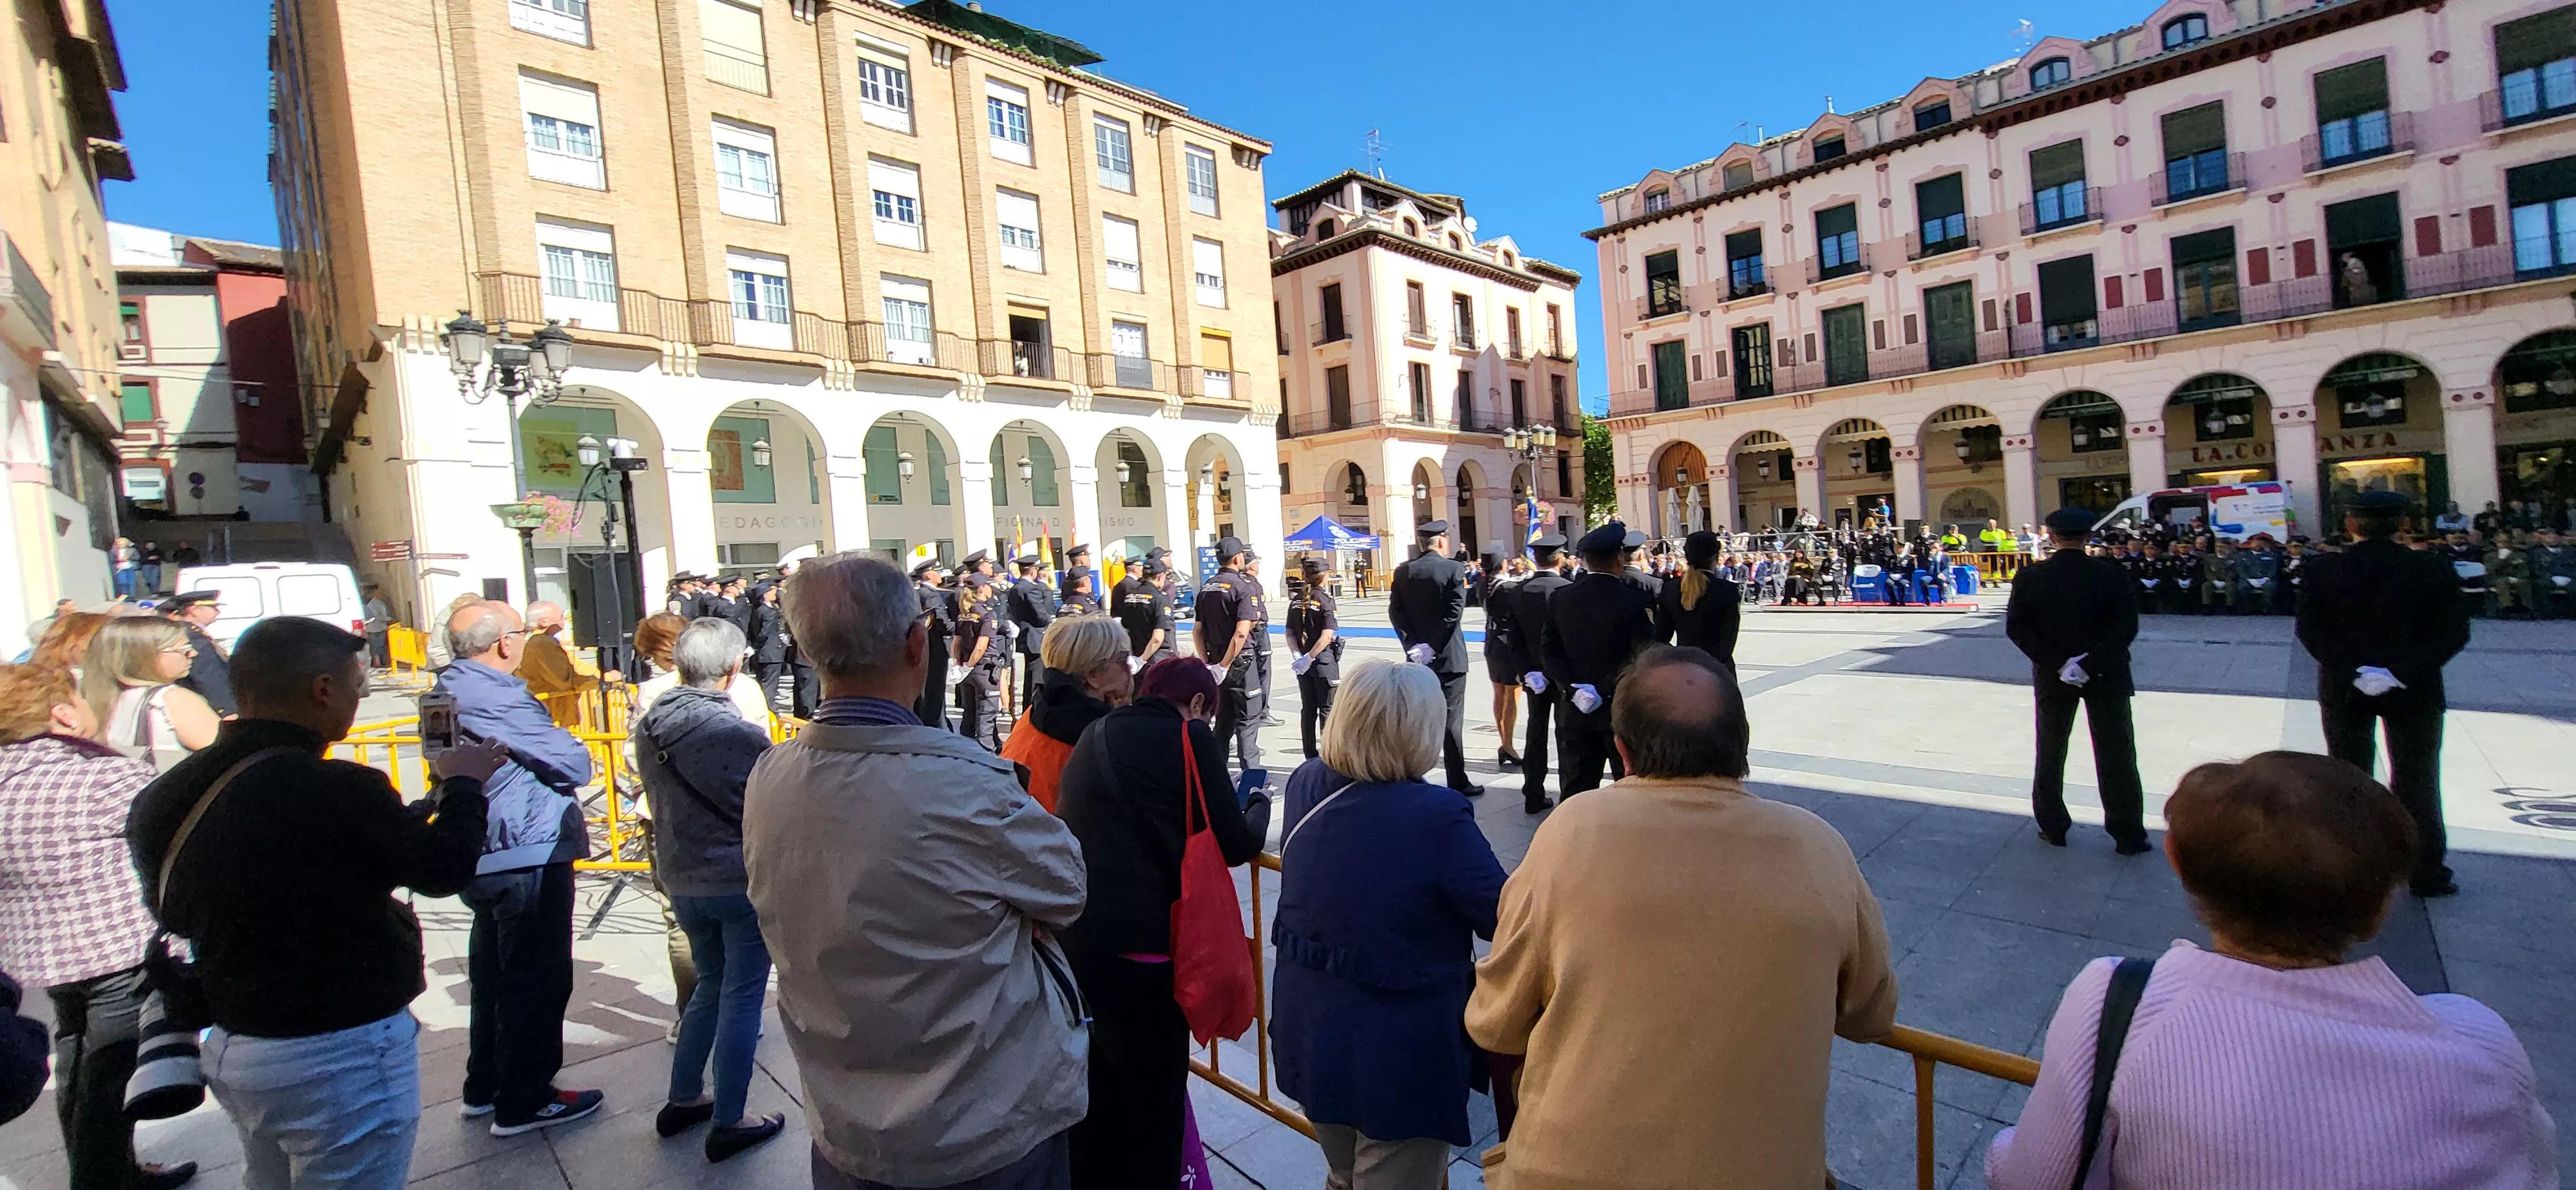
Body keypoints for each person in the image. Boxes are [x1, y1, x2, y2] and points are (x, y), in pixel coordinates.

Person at [1985, 752, 2557, 1189]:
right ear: (2383, 902)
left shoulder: (2121, 1004)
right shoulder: (2481, 1046)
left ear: (2178, 864)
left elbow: (2031, 1178)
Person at [1467, 646, 1897, 1189]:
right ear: (1741, 744)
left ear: (1621, 751)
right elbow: (1871, 1014)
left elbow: (1496, 1020)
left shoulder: (1572, 832)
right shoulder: (1820, 848)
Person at [743, 552, 1086, 1189]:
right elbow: (1066, 890)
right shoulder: (961, 784)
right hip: (980, 1127)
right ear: (913, 644)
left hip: (845, 1126)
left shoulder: (769, 776)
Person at [127, 618, 507, 1190]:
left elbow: (183, 907)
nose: (360, 700)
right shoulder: (338, 788)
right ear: (322, 689)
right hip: (338, 1050)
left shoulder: (168, 792)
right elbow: (443, 870)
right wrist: (464, 786)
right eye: (359, 687)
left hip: (236, 1041)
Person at [1270, 661, 1507, 1190]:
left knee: (1342, 1172)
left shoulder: (1309, 781)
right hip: (1397, 1049)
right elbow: (1500, 913)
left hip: (1310, 1026)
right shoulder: (1435, 814)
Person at [1053, 656, 1270, 1190]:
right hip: (1146, 954)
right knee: (1155, 1112)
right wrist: (1259, 803)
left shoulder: (1096, 732)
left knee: (1098, 1098)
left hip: (1079, 943)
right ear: (1197, 705)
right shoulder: (1191, 738)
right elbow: (1239, 843)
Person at [0, 662, 197, 1190]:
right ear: (63, 714)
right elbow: (171, 845)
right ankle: (102, 1179)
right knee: (109, 1072)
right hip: (116, 951)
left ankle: (109, 1169)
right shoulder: (102, 776)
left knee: (74, 1059)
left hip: (36, 955)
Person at [433, 601, 604, 1135]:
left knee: (493, 975)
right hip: (524, 846)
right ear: (505, 644)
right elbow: (575, 762)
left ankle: (485, 1085)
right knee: (534, 977)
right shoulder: (497, 695)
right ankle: (525, 1097)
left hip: (480, 843)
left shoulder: (444, 689)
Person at [632, 619, 784, 1162]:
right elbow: (767, 804)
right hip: (733, 880)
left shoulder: (651, 725)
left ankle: (683, 1096)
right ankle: (730, 1117)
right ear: (734, 668)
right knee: (742, 995)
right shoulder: (734, 733)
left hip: (682, 872)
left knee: (710, 987)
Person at [2297, 488, 2474, 897]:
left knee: (2348, 780)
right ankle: (2426, 871)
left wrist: (2354, 672)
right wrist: (2398, 673)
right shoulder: (2431, 568)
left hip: (2346, 690)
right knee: (2418, 781)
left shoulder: (2323, 570)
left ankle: (2353, 871)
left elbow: (2311, 631)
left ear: (2350, 525)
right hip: (2415, 690)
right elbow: (2454, 631)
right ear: (2402, 525)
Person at [2007, 507, 2150, 854]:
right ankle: (2127, 833)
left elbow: (2017, 628)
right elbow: (2126, 627)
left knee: (2051, 750)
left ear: (2051, 537)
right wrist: (2091, 663)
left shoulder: (2030, 577)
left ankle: (2053, 826)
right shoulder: (2112, 576)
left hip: (2054, 677)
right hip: (2107, 673)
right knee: (2116, 751)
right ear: (2089, 537)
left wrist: (2060, 664)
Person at [1535, 524, 1658, 798]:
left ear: (1586, 561)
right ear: (1619, 560)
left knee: (1576, 790)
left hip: (1575, 709)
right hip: (1620, 709)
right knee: (1629, 788)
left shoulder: (1561, 597)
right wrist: (1604, 689)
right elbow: (1642, 654)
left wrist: (1574, 687)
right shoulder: (1635, 601)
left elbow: (1549, 652)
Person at [1000, 616, 1133, 813]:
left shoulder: (1040, 709)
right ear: (1093, 674)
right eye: (1123, 660)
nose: (1130, 668)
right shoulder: (1095, 736)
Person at [1388, 520, 1482, 797]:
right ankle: (1457, 781)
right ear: (1441, 542)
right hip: (1449, 658)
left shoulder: (1404, 571)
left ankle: (1412, 776)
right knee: (1452, 721)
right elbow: (1454, 612)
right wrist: (1434, 645)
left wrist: (1414, 645)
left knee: (1417, 718)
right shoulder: (1454, 569)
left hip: (1417, 660)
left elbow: (1396, 612)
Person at [80, 616, 223, 775]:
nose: (194, 654)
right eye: (185, 650)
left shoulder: (92, 701)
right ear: (147, 657)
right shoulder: (172, 699)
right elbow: (224, 755)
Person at [1502, 536, 1571, 813]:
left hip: (1534, 676)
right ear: (1559, 559)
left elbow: (1513, 637)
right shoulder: (1568, 590)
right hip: (1564, 674)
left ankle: (1533, 791)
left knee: (1536, 732)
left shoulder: (1519, 591)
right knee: (1567, 734)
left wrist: (1526, 671)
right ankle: (1568, 792)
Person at [1195, 536, 1265, 773]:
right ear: (1237, 558)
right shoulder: (1242, 586)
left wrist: (1209, 665)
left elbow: (1197, 631)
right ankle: (1252, 781)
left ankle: (1217, 777)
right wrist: (1225, 665)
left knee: (1223, 724)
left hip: (1214, 662)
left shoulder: (1206, 587)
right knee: (1248, 722)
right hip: (1239, 663)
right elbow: (1241, 633)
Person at [1655, 530, 1741, 667]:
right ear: (1716, 556)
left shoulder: (1670, 589)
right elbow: (1727, 643)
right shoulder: (1727, 591)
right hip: (1717, 671)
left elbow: (1661, 637)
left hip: (1684, 667)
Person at [1286, 556, 1343, 760]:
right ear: (1323, 576)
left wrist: (1298, 656)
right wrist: (1311, 657)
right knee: (1327, 710)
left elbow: (1290, 632)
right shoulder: (1326, 601)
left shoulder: (1296, 600)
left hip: (1303, 666)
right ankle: (1329, 755)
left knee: (1308, 710)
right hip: (1323, 663)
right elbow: (1327, 636)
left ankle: (1310, 755)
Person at [1481, 551, 1525, 771]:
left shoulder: (1484, 585)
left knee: (1498, 692)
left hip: (1492, 643)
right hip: (1508, 645)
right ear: (1503, 564)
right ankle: (1508, 745)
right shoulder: (1508, 588)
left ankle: (1503, 741)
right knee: (1513, 694)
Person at [952, 574, 1007, 751]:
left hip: (968, 671)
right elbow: (982, 646)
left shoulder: (964, 614)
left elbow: (957, 642)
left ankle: (965, 751)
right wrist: (970, 665)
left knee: (969, 713)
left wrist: (959, 665)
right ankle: (986, 753)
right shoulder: (987, 614)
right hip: (983, 668)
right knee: (986, 715)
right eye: (988, 585)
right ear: (982, 588)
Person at [158, 592, 236, 716]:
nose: (218, 612)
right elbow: (208, 677)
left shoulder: (187, 631)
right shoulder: (193, 636)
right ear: (194, 610)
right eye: (213, 607)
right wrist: (227, 711)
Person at [517, 601, 591, 728]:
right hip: (553, 715)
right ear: (544, 622)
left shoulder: (536, 643)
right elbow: (564, 679)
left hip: (549, 713)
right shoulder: (542, 644)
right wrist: (600, 681)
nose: (565, 620)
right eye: (561, 616)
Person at [1009, 556, 1060, 710]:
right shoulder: (1030, 588)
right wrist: (1052, 622)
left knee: (1029, 677)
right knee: (1036, 678)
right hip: (1036, 637)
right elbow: (1040, 615)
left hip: (1026, 635)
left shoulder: (1015, 588)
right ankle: (1032, 710)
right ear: (1032, 571)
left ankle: (1027, 709)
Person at [911, 558, 956, 728]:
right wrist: (957, 628)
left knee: (926, 689)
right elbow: (941, 622)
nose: (939, 575)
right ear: (929, 575)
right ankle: (937, 726)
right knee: (935, 690)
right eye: (936, 572)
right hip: (936, 646)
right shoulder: (930, 595)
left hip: (926, 645)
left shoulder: (917, 592)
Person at [1113, 560, 1176, 665]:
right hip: (1155, 658)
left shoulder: (1130, 596)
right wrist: (1141, 660)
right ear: (1160, 576)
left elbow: (1124, 628)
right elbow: (1157, 638)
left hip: (1134, 655)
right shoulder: (1160, 598)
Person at [750, 584, 791, 712]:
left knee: (765, 682)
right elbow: (764, 632)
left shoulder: (762, 610)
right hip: (771, 652)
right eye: (770, 592)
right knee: (770, 684)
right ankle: (769, 709)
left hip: (766, 652)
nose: (774, 593)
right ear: (765, 595)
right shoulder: (767, 612)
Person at [361, 584, 392, 670]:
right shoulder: (372, 604)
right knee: (375, 646)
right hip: (373, 629)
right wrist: (387, 619)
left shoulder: (381, 603)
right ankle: (377, 663)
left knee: (381, 645)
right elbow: (376, 616)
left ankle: (382, 662)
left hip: (381, 628)